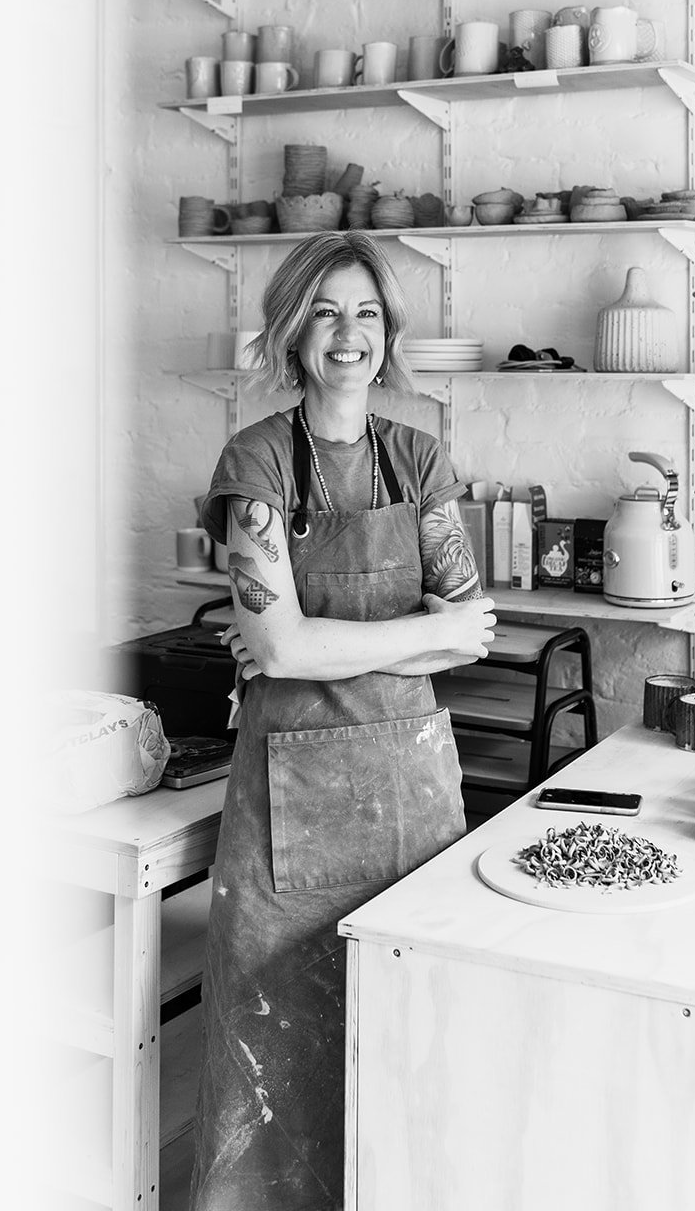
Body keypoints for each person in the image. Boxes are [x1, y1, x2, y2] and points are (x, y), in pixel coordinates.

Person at [190, 230, 496, 1211]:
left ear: (388, 333)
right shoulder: (254, 464)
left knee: (411, 1062)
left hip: (412, 813)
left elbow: (472, 633)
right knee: (276, 1078)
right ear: (291, 330)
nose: (347, 333)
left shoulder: (419, 460)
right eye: (324, 311)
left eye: (365, 312)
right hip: (286, 825)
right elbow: (278, 652)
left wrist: (309, 636)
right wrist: (409, 631)